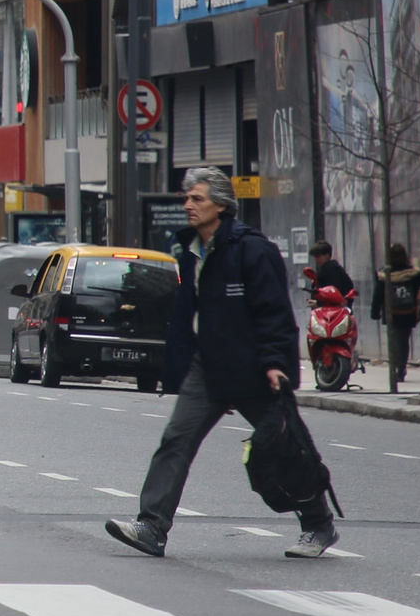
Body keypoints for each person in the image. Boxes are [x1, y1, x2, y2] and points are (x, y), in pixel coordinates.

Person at [107, 167, 339, 561]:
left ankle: (318, 524)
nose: (188, 205)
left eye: (197, 199)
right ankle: (152, 526)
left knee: (285, 449)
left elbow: (274, 313)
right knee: (176, 440)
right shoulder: (192, 251)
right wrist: (177, 366)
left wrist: (275, 363)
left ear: (221, 204)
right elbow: (190, 316)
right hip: (209, 367)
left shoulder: (252, 249)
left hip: (253, 369)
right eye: (187, 198)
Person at [371, 243, 420, 392]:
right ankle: (401, 367)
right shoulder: (412, 273)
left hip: (391, 313)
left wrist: (375, 312)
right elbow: (419, 292)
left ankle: (396, 367)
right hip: (407, 312)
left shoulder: (385, 274)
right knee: (404, 341)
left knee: (394, 340)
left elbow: (378, 295)